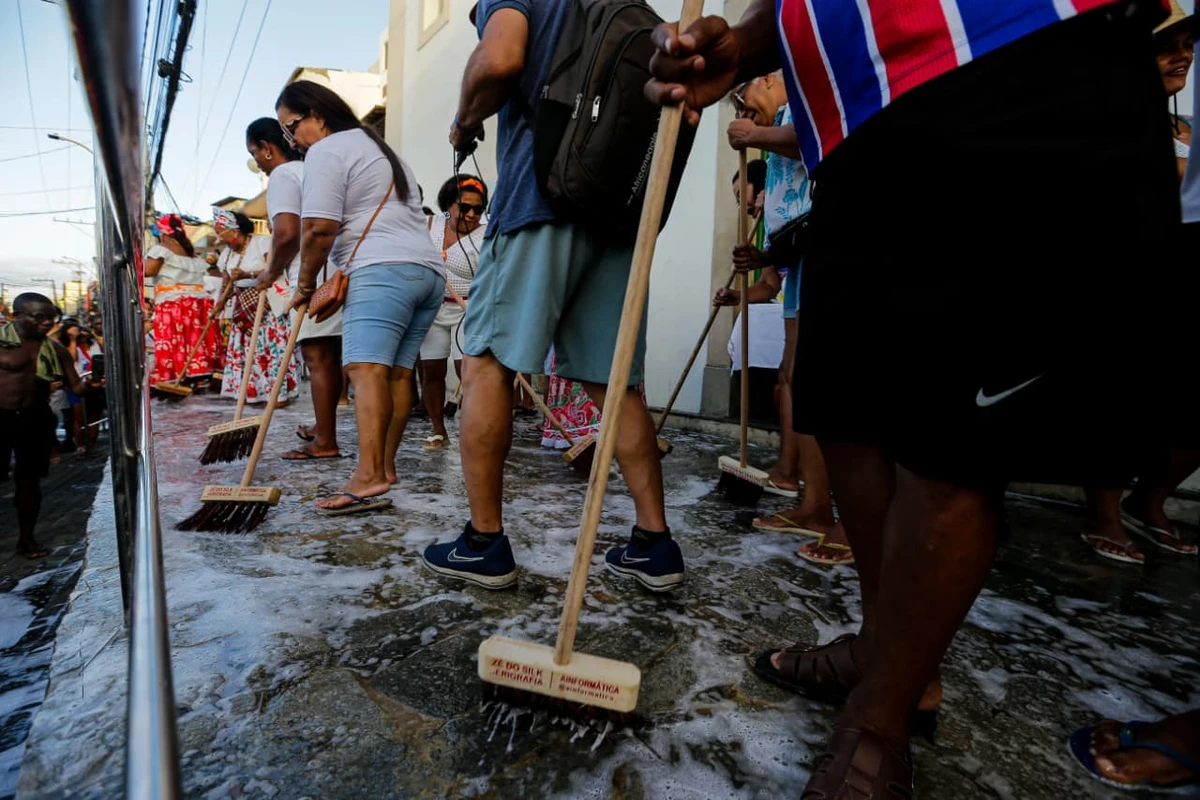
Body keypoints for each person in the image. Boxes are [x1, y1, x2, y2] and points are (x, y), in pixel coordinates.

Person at [649, 0, 1181, 794]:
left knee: (954, 438)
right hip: (861, 117)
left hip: (1014, 54)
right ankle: (892, 656)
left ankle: (882, 712)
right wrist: (754, 42)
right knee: (848, 402)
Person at [425, 0, 684, 593]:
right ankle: (654, 543)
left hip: (540, 202)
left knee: (486, 361)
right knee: (612, 380)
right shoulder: (630, 5)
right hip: (616, 218)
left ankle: (484, 543)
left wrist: (466, 118)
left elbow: (499, 59)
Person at [278, 80, 445, 514]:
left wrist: (305, 285)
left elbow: (318, 228)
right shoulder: (379, 148)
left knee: (365, 369)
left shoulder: (327, 151)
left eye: (291, 127)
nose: (293, 140)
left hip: (381, 268)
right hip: (426, 271)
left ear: (316, 115)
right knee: (397, 375)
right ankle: (384, 470)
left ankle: (368, 475)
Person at [1082, 4, 1199, 564]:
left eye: (1188, 43)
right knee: (1119, 393)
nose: (1183, 54)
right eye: (1165, 45)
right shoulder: (1108, 116)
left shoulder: (1181, 128)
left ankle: (1148, 502)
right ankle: (1105, 514)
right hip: (1117, 274)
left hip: (1172, 272)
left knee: (1174, 401)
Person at [727, 75, 850, 565]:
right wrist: (762, 255)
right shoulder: (776, 120)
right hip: (797, 258)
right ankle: (815, 505)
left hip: (825, 254)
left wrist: (751, 135)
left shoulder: (801, 103)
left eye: (743, 95)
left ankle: (850, 518)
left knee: (825, 387)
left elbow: (812, 140)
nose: (741, 107)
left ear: (771, 80)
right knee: (797, 381)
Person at [245, 117, 345, 462]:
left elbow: (286, 233)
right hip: (337, 267)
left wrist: (269, 274)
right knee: (331, 357)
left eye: (254, 153)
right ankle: (323, 427)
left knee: (317, 358)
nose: (256, 161)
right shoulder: (313, 169)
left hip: (312, 271)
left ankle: (325, 441)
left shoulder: (284, 176)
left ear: (267, 148)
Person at [0, 294, 88, 559]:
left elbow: (77, 387)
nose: (47, 323)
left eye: (51, 318)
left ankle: (26, 540)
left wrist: (94, 382)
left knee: (29, 483)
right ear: (17, 316)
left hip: (35, 418)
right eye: (39, 317)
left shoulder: (55, 349)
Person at [418, 174, 488, 451]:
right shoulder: (429, 225)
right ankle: (438, 430)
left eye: (478, 209)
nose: (471, 214)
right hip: (433, 308)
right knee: (432, 371)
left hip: (467, 310)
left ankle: (474, 432)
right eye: (465, 207)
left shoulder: (486, 233)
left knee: (467, 372)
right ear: (449, 204)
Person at [216, 209, 300, 406]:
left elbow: (275, 267)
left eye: (221, 232)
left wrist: (249, 275)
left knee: (268, 350)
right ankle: (251, 393)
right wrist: (220, 302)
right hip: (242, 305)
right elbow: (226, 281)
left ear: (235, 230)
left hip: (266, 302)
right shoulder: (227, 254)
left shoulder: (262, 242)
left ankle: (277, 395)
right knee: (247, 352)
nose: (219, 238)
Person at [145, 214, 215, 386]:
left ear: (163, 233)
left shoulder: (161, 248)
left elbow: (148, 271)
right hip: (196, 305)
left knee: (174, 343)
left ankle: (174, 379)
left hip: (173, 304)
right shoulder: (190, 253)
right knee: (192, 344)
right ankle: (196, 378)